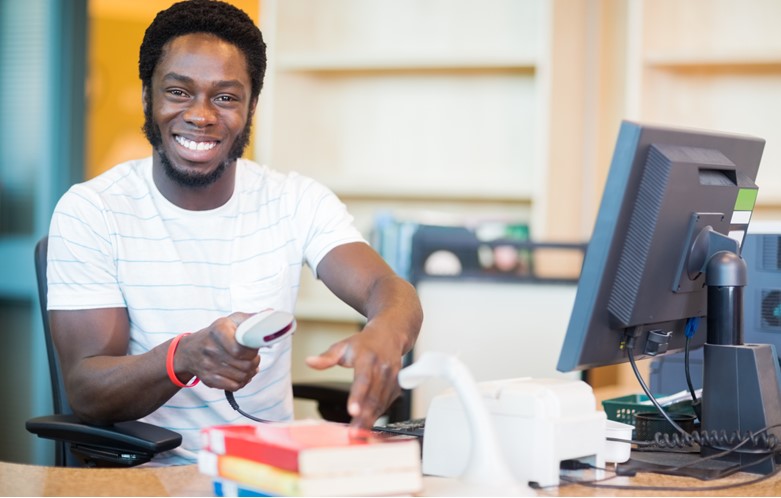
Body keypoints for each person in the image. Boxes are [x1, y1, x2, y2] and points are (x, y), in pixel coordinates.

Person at [46, 0, 422, 466]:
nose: (201, 115)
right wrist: (184, 356)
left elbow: (388, 289)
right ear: (147, 96)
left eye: (225, 97)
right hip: (149, 478)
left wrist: (385, 332)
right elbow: (87, 390)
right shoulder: (92, 210)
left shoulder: (295, 200)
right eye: (179, 92)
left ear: (251, 106)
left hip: (270, 476)